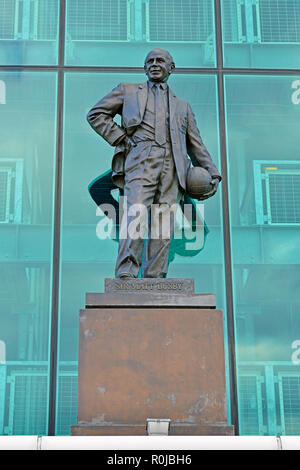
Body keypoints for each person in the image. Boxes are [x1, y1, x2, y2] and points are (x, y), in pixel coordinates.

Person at [87, 48, 221, 279]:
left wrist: (213, 172)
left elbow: (196, 145)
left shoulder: (183, 106)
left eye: (160, 61)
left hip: (172, 165)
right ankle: (126, 274)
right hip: (141, 158)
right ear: (145, 67)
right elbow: (96, 114)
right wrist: (119, 137)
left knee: (163, 221)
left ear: (172, 68)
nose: (154, 64)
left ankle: (155, 277)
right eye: (150, 61)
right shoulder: (127, 91)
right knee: (135, 213)